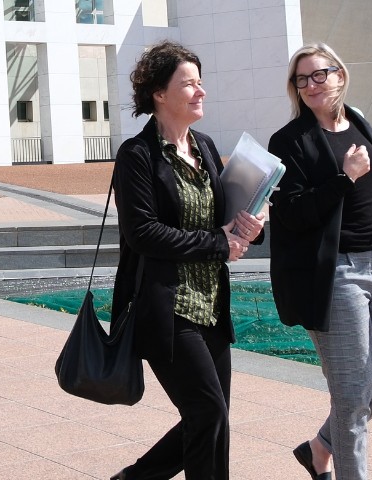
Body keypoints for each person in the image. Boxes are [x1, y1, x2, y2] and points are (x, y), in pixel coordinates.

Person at [106, 40, 262, 480]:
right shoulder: (137, 156)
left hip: (211, 304)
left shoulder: (207, 147)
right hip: (165, 308)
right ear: (160, 93)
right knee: (208, 411)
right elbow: (143, 234)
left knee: (212, 418)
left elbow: (226, 218)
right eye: (188, 84)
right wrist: (220, 242)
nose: (201, 91)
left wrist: (251, 227)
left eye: (201, 82)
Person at [266, 42, 372, 480]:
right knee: (352, 397)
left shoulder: (361, 123)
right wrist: (343, 178)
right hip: (334, 273)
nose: (312, 85)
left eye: (320, 74)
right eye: (302, 79)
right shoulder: (289, 141)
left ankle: (319, 448)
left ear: (340, 75)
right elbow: (292, 212)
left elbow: (366, 192)